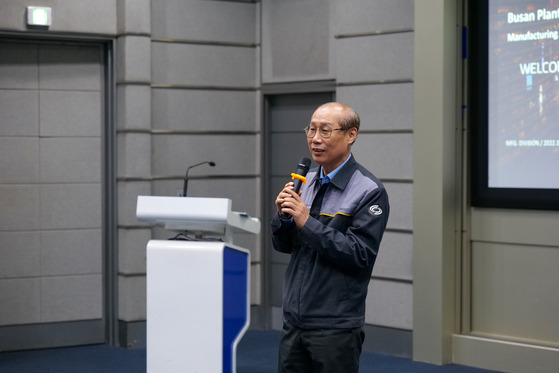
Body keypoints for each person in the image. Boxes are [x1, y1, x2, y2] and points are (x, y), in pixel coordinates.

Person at [271, 102, 390, 373]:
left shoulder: (368, 191)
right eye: (311, 130)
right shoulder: (306, 181)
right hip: (294, 319)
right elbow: (283, 246)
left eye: (325, 131)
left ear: (351, 135)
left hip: (334, 325)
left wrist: (305, 221)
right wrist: (284, 218)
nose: (315, 139)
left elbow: (359, 254)